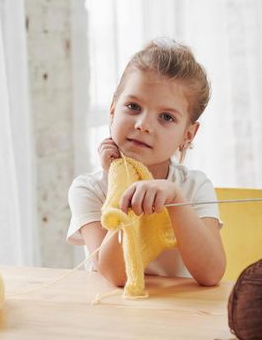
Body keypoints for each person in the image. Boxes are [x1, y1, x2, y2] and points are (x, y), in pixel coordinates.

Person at [67, 38, 226, 287]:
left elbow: (212, 273)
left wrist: (175, 198)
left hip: (183, 315)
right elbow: (115, 275)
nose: (143, 125)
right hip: (112, 315)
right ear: (112, 109)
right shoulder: (89, 189)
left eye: (166, 117)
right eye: (132, 106)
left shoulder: (194, 186)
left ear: (188, 134)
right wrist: (121, 183)